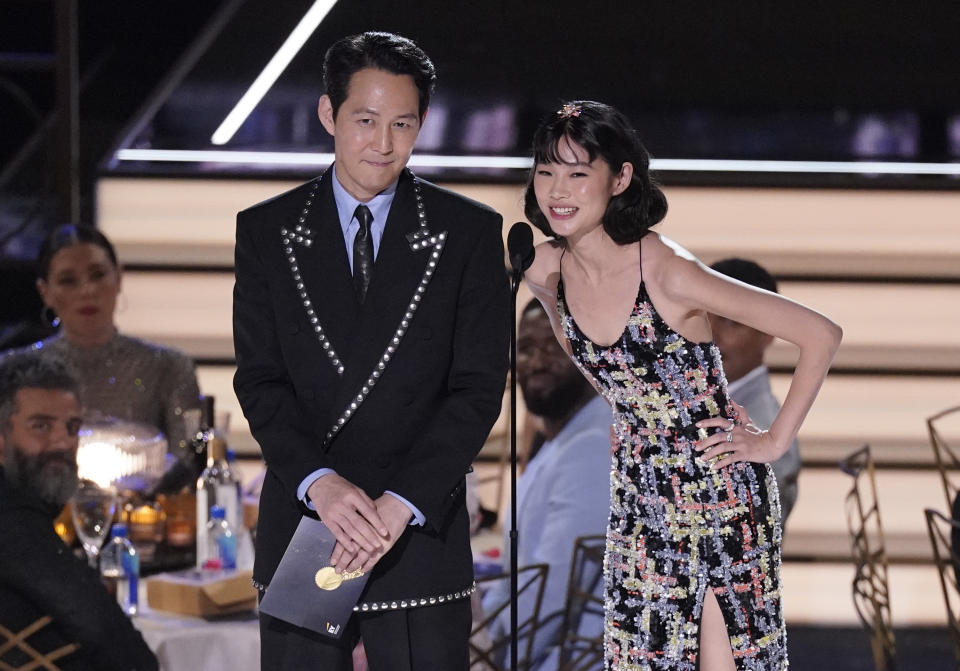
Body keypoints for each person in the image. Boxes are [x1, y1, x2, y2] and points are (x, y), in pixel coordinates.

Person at [522, 101, 842, 671]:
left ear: (620, 179)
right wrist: (633, 410)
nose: (558, 189)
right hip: (640, 499)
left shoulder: (667, 270)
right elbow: (590, 353)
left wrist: (771, 443)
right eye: (547, 171)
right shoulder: (545, 269)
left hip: (720, 497)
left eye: (578, 171)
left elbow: (819, 334)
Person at [232, 32, 509, 670]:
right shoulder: (268, 230)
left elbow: (477, 388)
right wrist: (321, 485)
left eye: (402, 124)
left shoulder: (466, 232)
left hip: (416, 527)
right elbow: (262, 381)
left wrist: (399, 504)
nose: (383, 143)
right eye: (365, 120)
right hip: (309, 522)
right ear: (329, 114)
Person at [0, 350, 158, 671]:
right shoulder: (15, 524)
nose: (62, 443)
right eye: (41, 426)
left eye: (72, 427)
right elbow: (132, 658)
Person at [482, 299, 611, 670]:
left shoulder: (594, 446)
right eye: (525, 349)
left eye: (554, 347)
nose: (536, 362)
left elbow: (552, 592)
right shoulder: (564, 443)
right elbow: (519, 581)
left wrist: (485, 658)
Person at [6, 224, 201, 457]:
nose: (87, 290)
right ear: (45, 292)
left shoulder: (168, 366)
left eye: (98, 275)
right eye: (68, 280)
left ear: (118, 278)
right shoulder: (13, 373)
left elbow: (189, 461)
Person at [709, 258, 802, 525]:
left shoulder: (768, 431)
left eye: (729, 322)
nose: (711, 334)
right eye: (701, 317)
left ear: (768, 332)